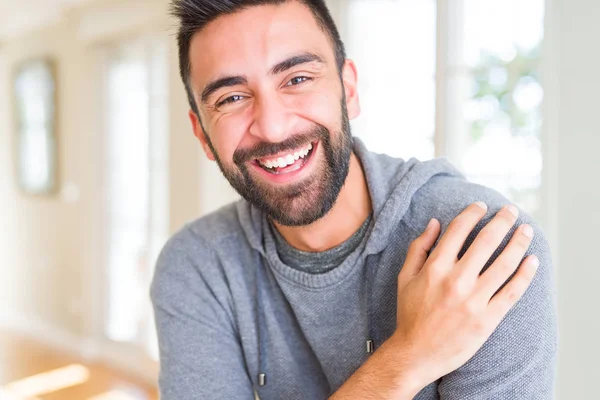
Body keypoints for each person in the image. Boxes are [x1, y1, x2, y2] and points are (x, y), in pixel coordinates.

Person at [150, 0, 558, 398]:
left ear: (348, 90)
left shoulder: (484, 252)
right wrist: (408, 358)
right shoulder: (197, 265)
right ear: (202, 134)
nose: (272, 128)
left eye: (296, 79)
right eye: (231, 99)